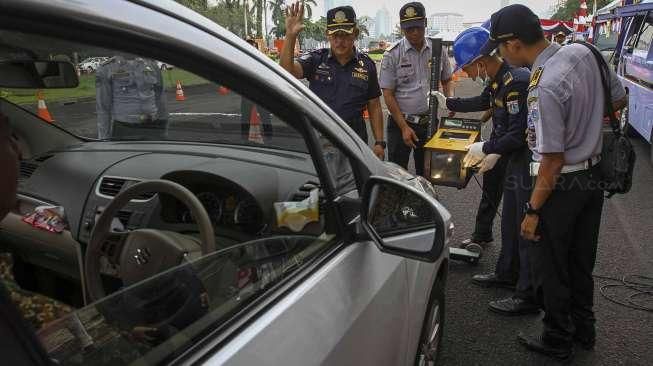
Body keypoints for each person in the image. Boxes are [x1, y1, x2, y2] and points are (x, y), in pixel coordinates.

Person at [483, 4, 628, 361]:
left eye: (500, 47)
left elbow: (551, 161)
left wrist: (532, 211)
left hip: (561, 185)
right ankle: (584, 330)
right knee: (580, 262)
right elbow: (620, 98)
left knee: (550, 264)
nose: (500, 55)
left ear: (514, 44)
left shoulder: (543, 85)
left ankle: (558, 338)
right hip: (593, 179)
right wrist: (587, 124)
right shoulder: (586, 51)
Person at [438, 27, 538, 315]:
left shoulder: (515, 81)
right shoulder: (497, 81)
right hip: (511, 157)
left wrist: (487, 148)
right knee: (508, 221)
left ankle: (526, 294)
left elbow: (518, 134)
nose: (467, 74)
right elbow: (483, 102)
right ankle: (506, 274)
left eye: (468, 68)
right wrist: (451, 103)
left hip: (525, 160)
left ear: (481, 61)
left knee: (524, 226)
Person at [280, 2, 385, 160]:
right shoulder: (316, 60)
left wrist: (379, 142)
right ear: (328, 35)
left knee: (356, 182)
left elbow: (375, 105)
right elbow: (287, 71)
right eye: (335, 35)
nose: (339, 41)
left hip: (355, 139)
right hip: (322, 137)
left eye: (345, 35)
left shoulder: (367, 65)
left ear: (355, 34)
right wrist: (290, 35)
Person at [379, 2, 453, 176]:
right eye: (409, 28)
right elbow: (388, 95)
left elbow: (447, 79)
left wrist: (450, 99)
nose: (414, 32)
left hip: (429, 122)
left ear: (425, 23)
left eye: (418, 27)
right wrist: (404, 127)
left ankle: (424, 203)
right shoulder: (393, 54)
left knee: (428, 172)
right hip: (400, 124)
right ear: (402, 28)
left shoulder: (437, 50)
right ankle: (398, 204)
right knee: (398, 175)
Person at [96, 56, 168, 139]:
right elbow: (103, 107)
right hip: (125, 128)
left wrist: (164, 127)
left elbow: (160, 97)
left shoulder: (151, 64)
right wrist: (103, 139)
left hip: (153, 126)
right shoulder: (106, 68)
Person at [241, 37, 273, 142]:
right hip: (247, 93)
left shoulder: (260, 59)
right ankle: (244, 138)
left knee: (265, 116)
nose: (250, 47)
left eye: (252, 45)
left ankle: (269, 137)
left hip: (259, 92)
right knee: (245, 116)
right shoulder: (242, 60)